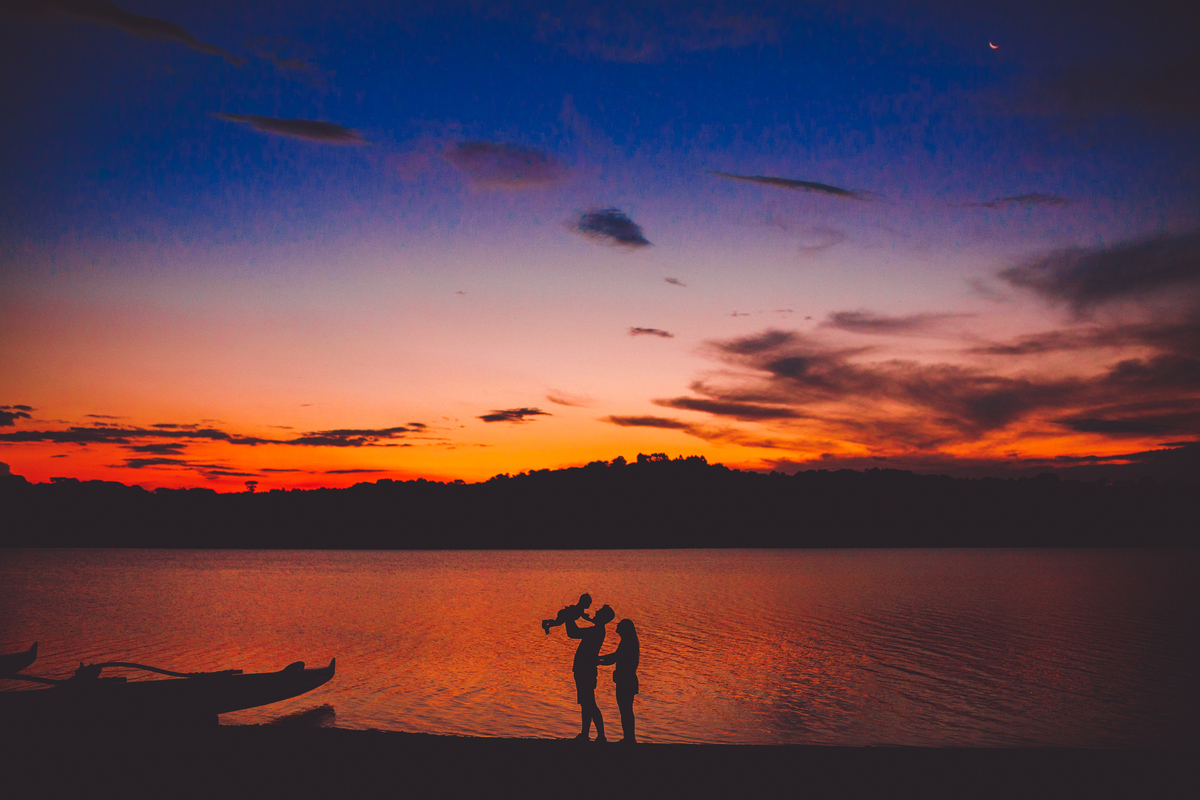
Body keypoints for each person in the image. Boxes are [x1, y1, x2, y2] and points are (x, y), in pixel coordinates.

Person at [566, 603, 615, 742]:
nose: (596, 611)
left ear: (603, 617)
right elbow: (594, 621)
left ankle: (600, 736)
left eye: (599, 611)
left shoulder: (596, 631)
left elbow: (573, 633)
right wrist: (582, 616)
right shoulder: (598, 628)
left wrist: (569, 618)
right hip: (585, 669)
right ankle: (585, 735)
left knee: (590, 704)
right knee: (586, 704)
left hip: (585, 670)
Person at [598, 618, 640, 744]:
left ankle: (629, 738)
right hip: (628, 680)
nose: (616, 629)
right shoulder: (629, 642)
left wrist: (597, 660)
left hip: (626, 681)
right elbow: (615, 657)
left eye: (619, 627)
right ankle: (629, 738)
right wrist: (599, 660)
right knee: (626, 709)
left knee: (625, 709)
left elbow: (614, 658)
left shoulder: (627, 643)